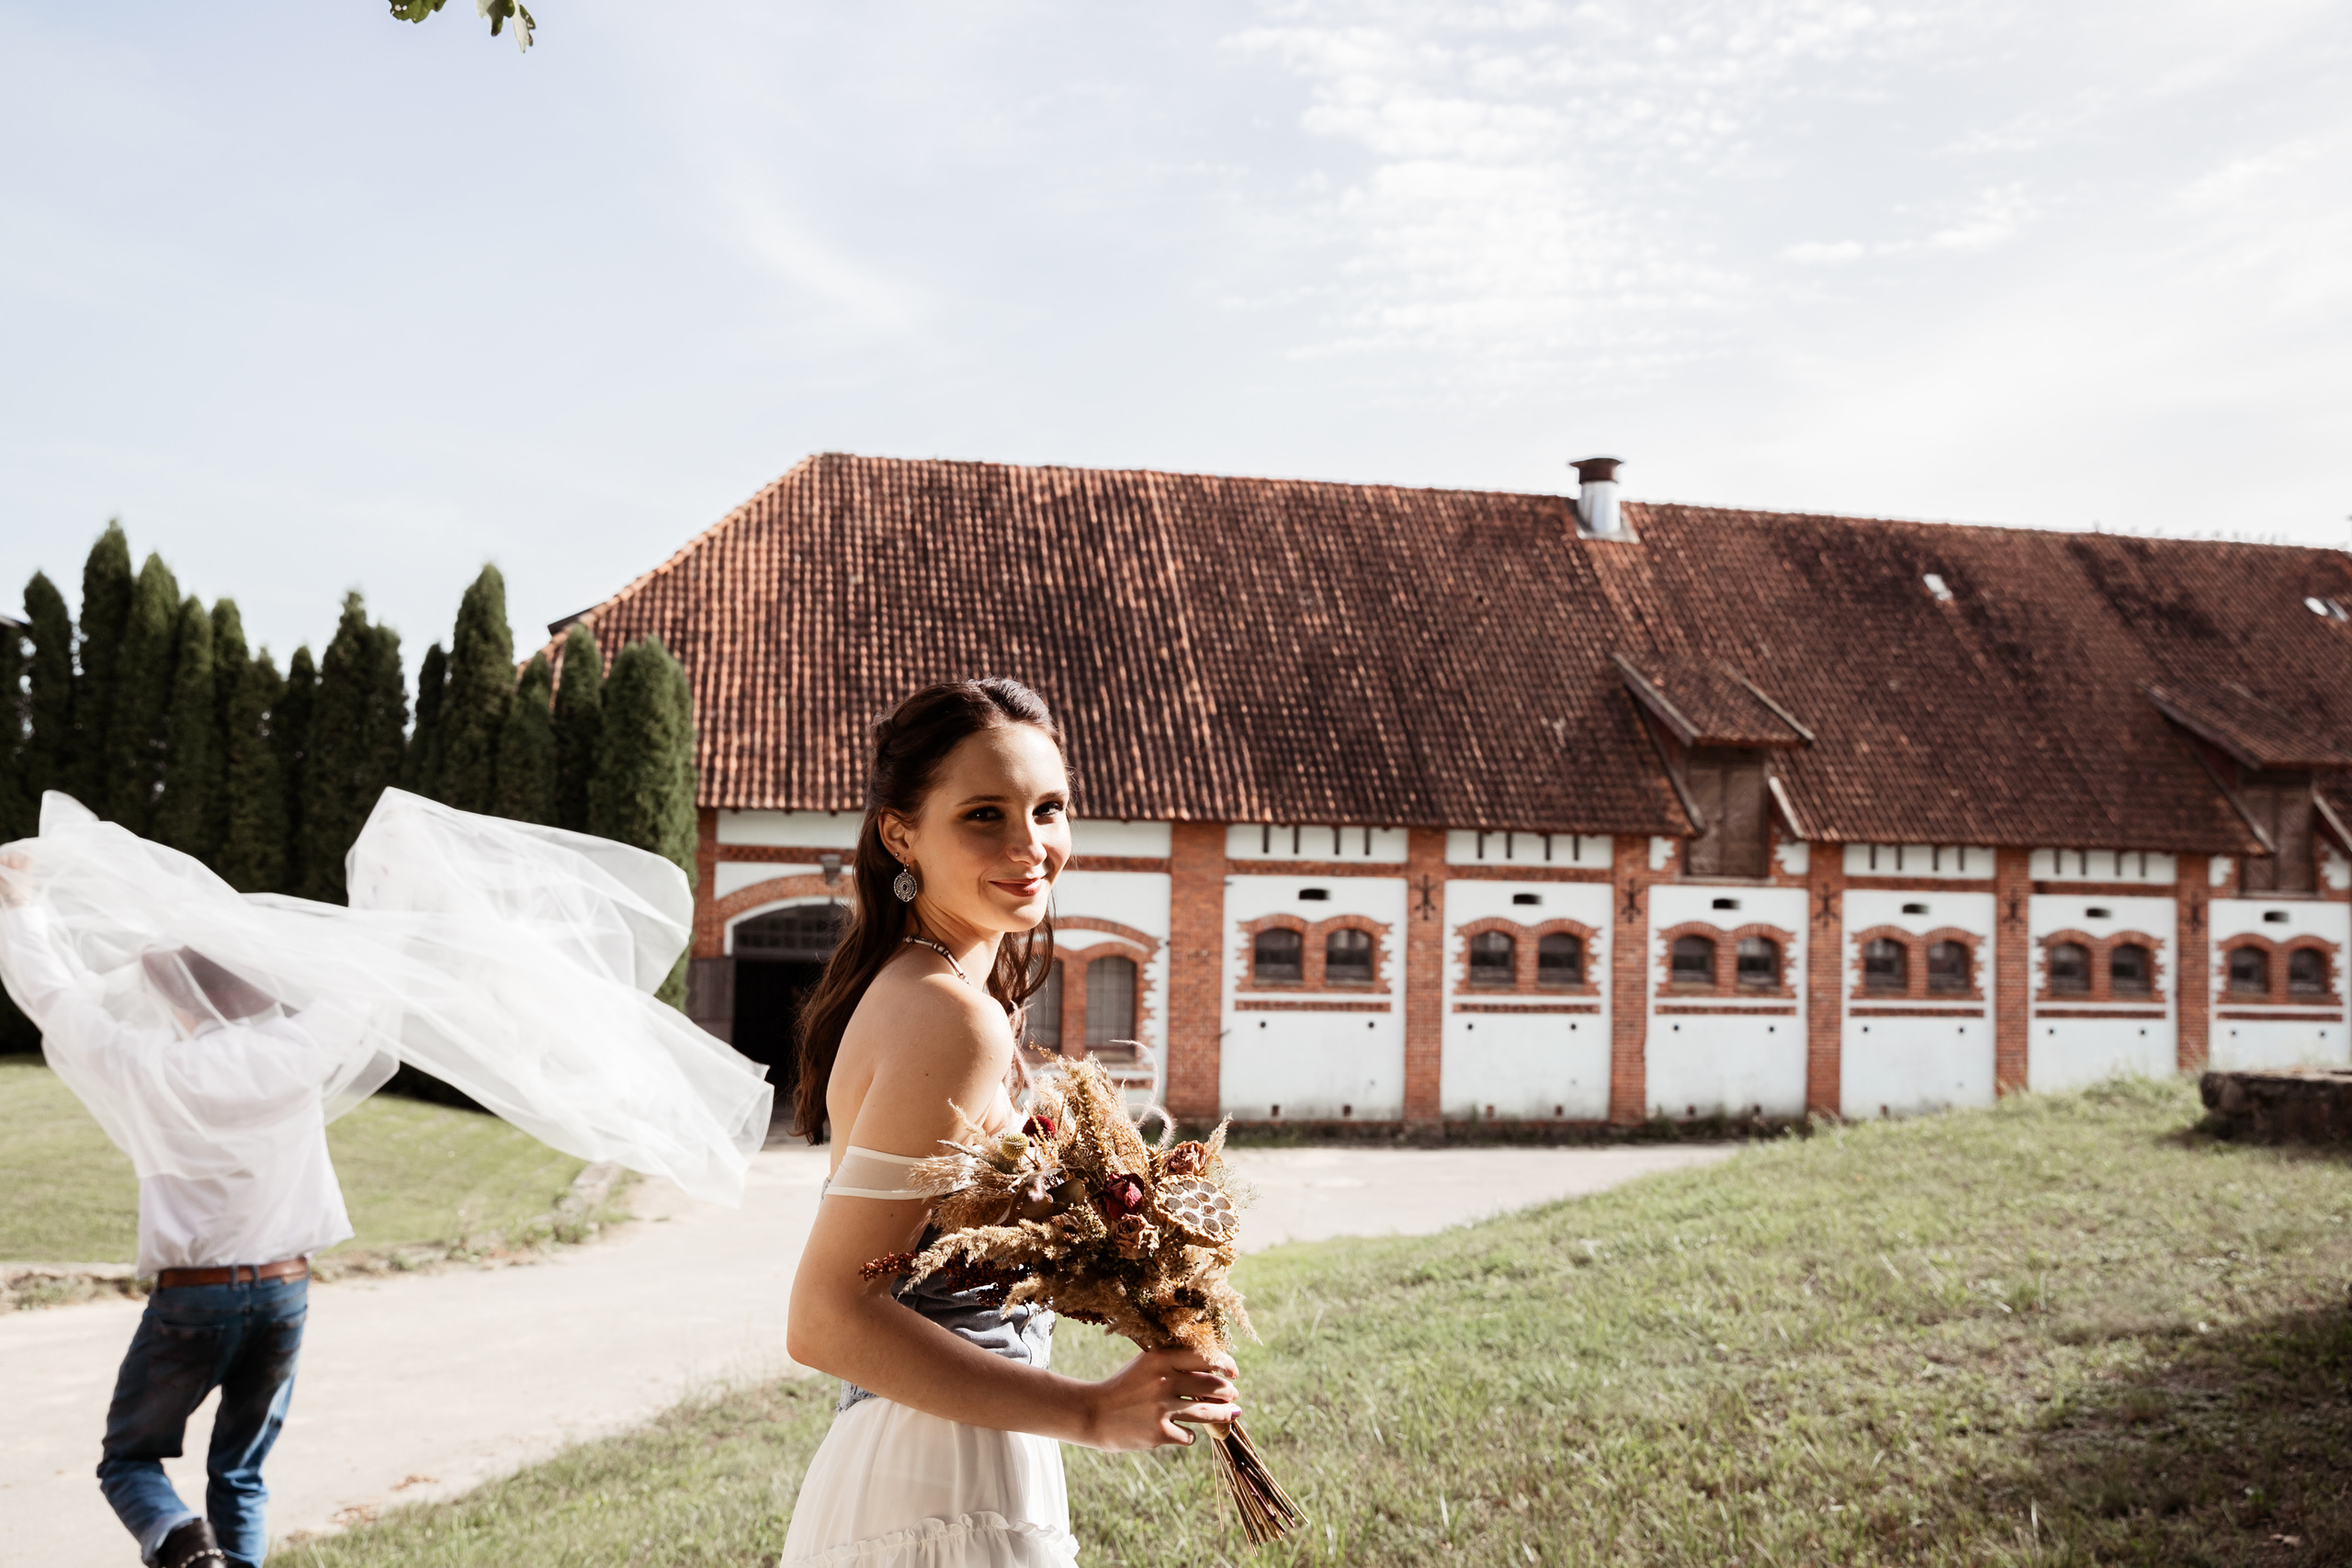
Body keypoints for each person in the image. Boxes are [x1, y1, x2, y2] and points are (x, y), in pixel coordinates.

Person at [781, 678, 1241, 1566]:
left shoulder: (938, 990)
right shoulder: (949, 1017)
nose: (1031, 845)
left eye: (1050, 809)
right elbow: (825, 1315)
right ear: (900, 832)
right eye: (985, 814)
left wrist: (1154, 1303)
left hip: (956, 1446)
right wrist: (1090, 1411)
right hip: (938, 1475)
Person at [0, 862, 351, 1568]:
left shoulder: (147, 1063)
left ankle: (184, 1542)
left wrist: (22, 904)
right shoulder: (306, 1046)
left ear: (180, 997)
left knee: (128, 1458)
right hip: (286, 1289)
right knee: (242, 1471)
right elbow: (374, 990)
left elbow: (53, 993)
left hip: (195, 1297)